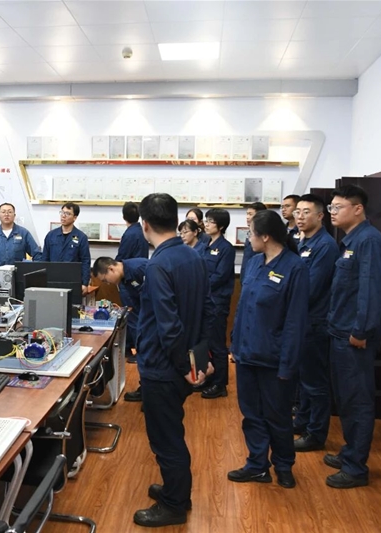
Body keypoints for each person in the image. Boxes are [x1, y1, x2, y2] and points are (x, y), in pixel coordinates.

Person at [132, 193, 213, 527]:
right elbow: (208, 311)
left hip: (164, 367)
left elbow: (168, 327)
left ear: (144, 225)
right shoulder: (194, 256)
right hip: (182, 363)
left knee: (166, 440)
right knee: (172, 432)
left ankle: (175, 505)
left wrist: (186, 368)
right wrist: (201, 361)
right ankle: (175, 491)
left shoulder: (158, 265)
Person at [229, 210, 309, 489]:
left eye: (250, 233)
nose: (248, 238)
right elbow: (243, 308)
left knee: (278, 417)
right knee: (251, 415)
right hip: (247, 355)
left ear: (265, 236)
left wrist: (288, 364)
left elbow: (296, 321)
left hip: (274, 359)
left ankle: (284, 465)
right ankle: (257, 465)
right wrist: (235, 345)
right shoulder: (253, 263)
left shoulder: (295, 268)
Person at [325, 184, 381, 489]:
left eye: (338, 207)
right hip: (340, 331)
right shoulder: (351, 241)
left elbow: (370, 290)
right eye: (331, 208)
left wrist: (361, 330)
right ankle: (349, 452)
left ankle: (355, 468)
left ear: (358, 209)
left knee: (358, 401)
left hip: (354, 337)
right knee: (345, 399)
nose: (332, 212)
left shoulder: (369, 241)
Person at [292, 195, 340, 452]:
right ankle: (302, 421)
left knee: (315, 382)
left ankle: (316, 433)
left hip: (315, 322)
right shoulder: (301, 242)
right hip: (300, 321)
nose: (300, 216)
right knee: (303, 378)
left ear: (320, 216)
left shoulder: (325, 245)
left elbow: (310, 288)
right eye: (297, 211)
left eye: (306, 212)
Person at [92, 256, 149, 401]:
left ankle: (151, 395)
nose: (107, 283)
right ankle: (145, 391)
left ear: (111, 269)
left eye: (105, 280)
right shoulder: (122, 280)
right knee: (143, 359)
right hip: (138, 323)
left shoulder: (139, 268)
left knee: (151, 360)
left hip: (150, 322)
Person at [200, 208, 235, 399]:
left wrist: (200, 286)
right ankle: (209, 377)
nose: (206, 224)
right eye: (206, 220)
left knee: (217, 343)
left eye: (211, 221)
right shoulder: (205, 243)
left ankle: (220, 384)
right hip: (204, 301)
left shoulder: (226, 248)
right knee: (206, 342)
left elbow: (220, 276)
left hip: (217, 302)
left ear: (220, 226)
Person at [116, 201, 149, 363]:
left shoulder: (129, 234)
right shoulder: (142, 231)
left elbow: (121, 258)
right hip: (139, 276)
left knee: (132, 315)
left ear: (124, 216)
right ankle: (129, 347)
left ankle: (138, 350)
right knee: (134, 313)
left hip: (128, 277)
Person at [42, 202, 91, 294]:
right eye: (62, 212)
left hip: (72, 280)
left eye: (67, 213)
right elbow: (44, 259)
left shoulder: (81, 237)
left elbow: (85, 261)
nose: (63, 216)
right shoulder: (51, 235)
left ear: (75, 217)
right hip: (53, 280)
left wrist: (85, 283)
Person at [0, 203, 41, 269]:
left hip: (17, 273)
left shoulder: (23, 233)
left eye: (9, 212)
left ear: (14, 215)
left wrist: (32, 271)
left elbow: (37, 255)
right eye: (3, 212)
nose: (6, 214)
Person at [242, 202, 267, 266]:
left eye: (250, 214)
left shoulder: (263, 235)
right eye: (247, 214)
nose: (247, 217)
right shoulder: (249, 233)